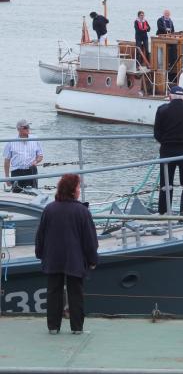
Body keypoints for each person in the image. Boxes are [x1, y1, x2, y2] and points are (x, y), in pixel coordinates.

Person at [35, 174, 98, 335]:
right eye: (77, 187)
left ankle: (53, 327)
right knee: (75, 292)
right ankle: (77, 328)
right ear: (72, 190)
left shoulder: (49, 209)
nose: (79, 190)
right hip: (74, 259)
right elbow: (89, 239)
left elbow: (40, 235)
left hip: (53, 258)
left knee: (53, 292)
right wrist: (92, 259)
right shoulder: (82, 211)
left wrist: (40, 253)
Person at [154, 85, 183, 220]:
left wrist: (165, 142)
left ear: (170, 96)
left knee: (166, 183)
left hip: (167, 151)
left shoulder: (162, 110)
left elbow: (157, 133)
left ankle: (164, 212)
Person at [3, 119, 43, 193]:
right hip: (16, 172)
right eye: (25, 127)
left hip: (31, 171)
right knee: (16, 195)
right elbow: (7, 161)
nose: (28, 128)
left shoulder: (35, 139)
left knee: (33, 194)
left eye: (28, 126)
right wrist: (7, 178)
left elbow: (40, 156)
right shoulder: (11, 142)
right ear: (19, 129)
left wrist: (36, 161)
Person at [157, 9, 178, 83]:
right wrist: (166, 29)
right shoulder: (160, 20)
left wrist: (173, 33)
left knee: (174, 46)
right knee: (162, 49)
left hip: (169, 37)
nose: (167, 15)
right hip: (161, 37)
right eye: (166, 14)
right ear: (164, 14)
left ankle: (172, 61)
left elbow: (173, 29)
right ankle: (162, 64)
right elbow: (160, 28)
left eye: (168, 14)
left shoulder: (170, 21)